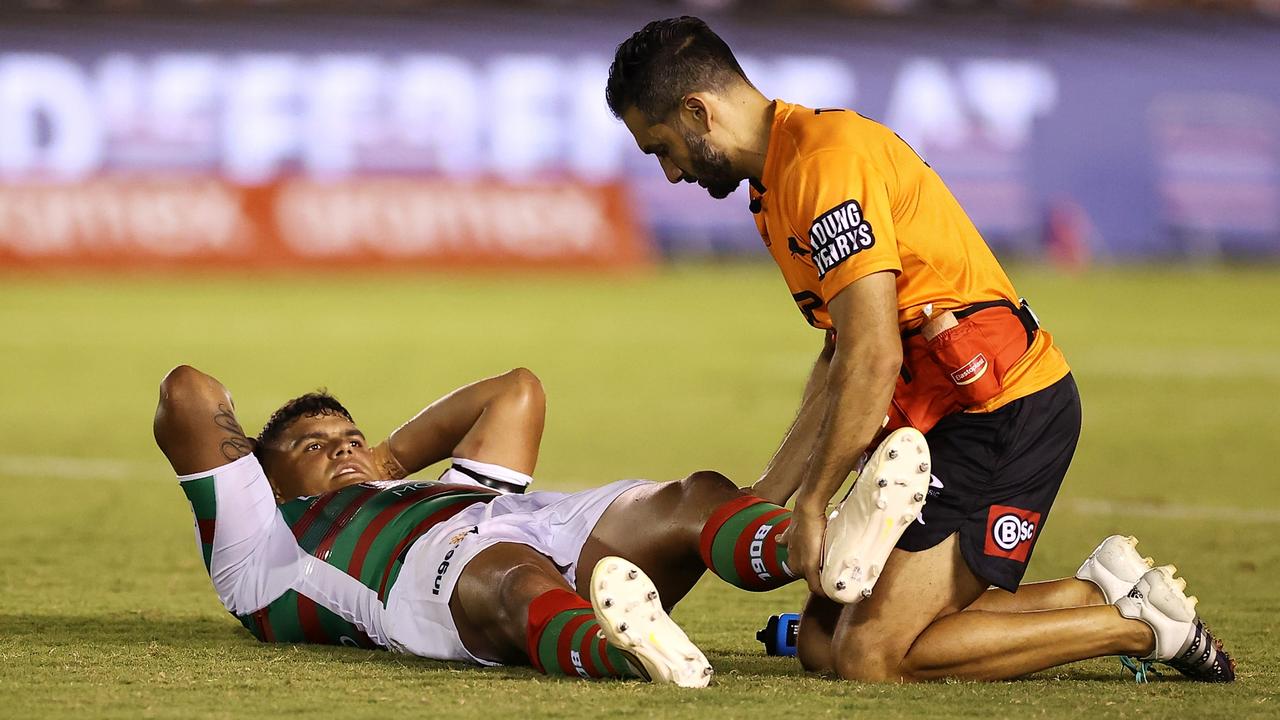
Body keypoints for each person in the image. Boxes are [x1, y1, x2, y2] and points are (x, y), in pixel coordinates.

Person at [606, 16, 1234, 683]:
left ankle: (1141, 629)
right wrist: (773, 491)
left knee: (871, 656)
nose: (670, 173)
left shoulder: (827, 162)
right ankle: (1099, 593)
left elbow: (874, 356)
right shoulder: (775, 190)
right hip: (935, 420)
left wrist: (815, 501)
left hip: (999, 411)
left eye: (662, 148)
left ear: (697, 110)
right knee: (822, 645)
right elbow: (839, 350)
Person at [152, 364, 922, 686]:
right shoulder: (258, 548)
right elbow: (188, 391)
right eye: (315, 448)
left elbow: (515, 392)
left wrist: (386, 456)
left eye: (350, 438)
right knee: (516, 574)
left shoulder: (432, 487)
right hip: (420, 581)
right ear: (266, 473)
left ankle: (816, 549)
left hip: (517, 518)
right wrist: (249, 464)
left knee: (694, 496)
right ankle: (629, 655)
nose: (343, 452)